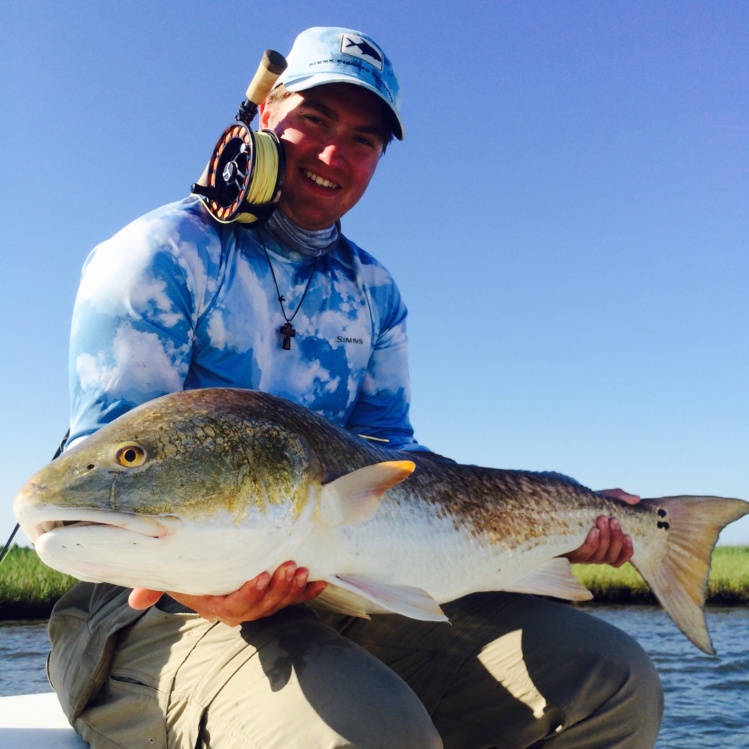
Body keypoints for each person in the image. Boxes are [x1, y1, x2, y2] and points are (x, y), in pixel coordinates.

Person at [48, 26, 663, 749]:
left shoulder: (373, 292)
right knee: (367, 732)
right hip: (148, 607)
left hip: (334, 584)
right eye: (314, 120)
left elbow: (397, 463)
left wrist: (564, 515)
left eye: (364, 139)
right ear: (268, 115)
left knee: (607, 679)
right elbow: (118, 469)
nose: (334, 154)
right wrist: (205, 588)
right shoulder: (159, 255)